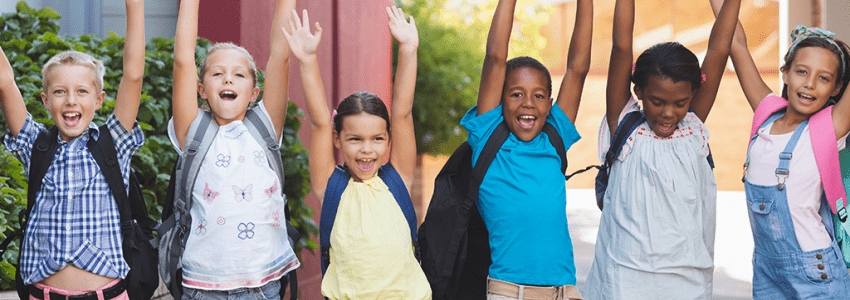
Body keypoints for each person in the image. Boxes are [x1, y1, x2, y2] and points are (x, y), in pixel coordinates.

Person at [581, 0, 740, 298]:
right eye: (658, 101)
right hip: (623, 282)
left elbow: (719, 50)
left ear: (692, 94)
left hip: (686, 283)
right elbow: (621, 48)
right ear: (639, 91)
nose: (669, 113)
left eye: (679, 103)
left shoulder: (692, 129)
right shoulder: (626, 125)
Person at [0, 0, 146, 299]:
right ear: (44, 100)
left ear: (99, 99)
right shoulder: (35, 146)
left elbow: (133, 75)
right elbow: (4, 82)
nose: (70, 100)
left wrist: (135, 6)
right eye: (59, 92)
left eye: (82, 91)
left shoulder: (113, 143)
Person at [283, 6, 430, 299]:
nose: (367, 150)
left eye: (377, 139)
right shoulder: (331, 186)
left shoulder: (397, 179)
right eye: (355, 139)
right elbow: (320, 121)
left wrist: (409, 50)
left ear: (389, 140)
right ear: (337, 140)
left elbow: (402, 113)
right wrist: (308, 60)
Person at [710, 0, 850, 296]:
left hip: (817, 273)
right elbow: (735, 41)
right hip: (766, 271)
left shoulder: (828, 127)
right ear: (784, 73)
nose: (810, 84)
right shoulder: (765, 114)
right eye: (801, 71)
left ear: (836, 89)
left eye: (823, 78)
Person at [458, 0, 591, 298]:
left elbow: (578, 68)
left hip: (564, 291)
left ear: (549, 105)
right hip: (509, 292)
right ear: (500, 101)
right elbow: (495, 57)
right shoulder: (488, 138)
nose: (528, 103)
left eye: (539, 96)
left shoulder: (554, 140)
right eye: (516, 94)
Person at [167, 0, 299, 297]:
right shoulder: (193, 131)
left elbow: (280, 58)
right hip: (203, 287)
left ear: (254, 92)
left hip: (262, 286)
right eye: (217, 74)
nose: (228, 78)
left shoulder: (264, 126)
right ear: (201, 89)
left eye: (239, 74)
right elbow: (183, 61)